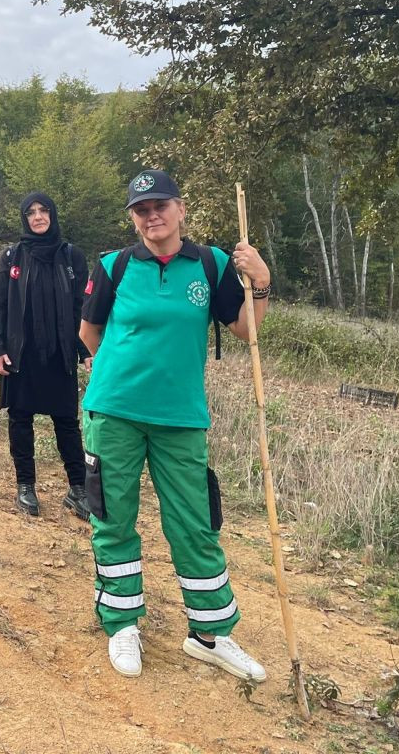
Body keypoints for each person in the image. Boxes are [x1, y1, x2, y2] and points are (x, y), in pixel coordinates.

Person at [78, 169, 272, 682]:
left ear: (181, 209)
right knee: (114, 518)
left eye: (160, 205)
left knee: (194, 524)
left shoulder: (210, 266)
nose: (152, 216)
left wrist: (263, 281)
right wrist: (121, 379)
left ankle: (209, 634)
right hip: (113, 412)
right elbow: (89, 331)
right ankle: (121, 623)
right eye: (141, 209)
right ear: (133, 218)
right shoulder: (114, 266)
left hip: (182, 419)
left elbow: (247, 329)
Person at [0, 194, 90, 520]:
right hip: (22, 353)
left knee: (67, 423)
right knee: (20, 420)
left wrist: (85, 350)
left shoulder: (71, 257)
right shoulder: (12, 257)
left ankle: (78, 488)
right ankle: (25, 486)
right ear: (24, 219)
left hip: (59, 352)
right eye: (31, 213)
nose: (38, 217)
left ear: (52, 214)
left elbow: (82, 310)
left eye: (43, 210)